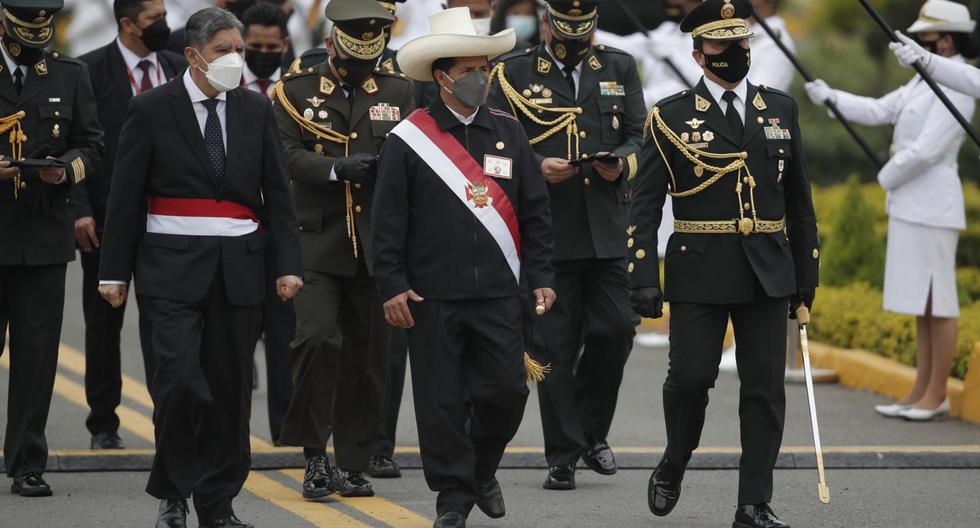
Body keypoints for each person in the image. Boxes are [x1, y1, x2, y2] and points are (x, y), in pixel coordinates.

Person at [98, 7, 303, 527]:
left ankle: (218, 503)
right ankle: (174, 492)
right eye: (223, 50)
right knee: (181, 382)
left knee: (231, 391)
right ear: (192, 56)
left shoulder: (256, 110)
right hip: (170, 269)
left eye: (239, 48)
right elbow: (124, 197)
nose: (236, 58)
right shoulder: (150, 109)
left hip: (240, 268)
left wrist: (287, 263)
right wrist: (113, 272)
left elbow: (277, 195)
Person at [630, 1, 819, 527]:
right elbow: (643, 205)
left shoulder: (779, 110)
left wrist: (807, 275)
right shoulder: (669, 116)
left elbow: (800, 202)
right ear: (698, 54)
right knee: (690, 380)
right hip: (700, 269)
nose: (735, 53)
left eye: (741, 43)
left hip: (768, 271)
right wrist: (643, 275)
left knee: (764, 390)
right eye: (721, 45)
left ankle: (753, 503)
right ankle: (674, 461)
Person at [376, 7, 555, 526]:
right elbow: (388, 223)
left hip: (500, 292)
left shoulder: (508, 131)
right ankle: (452, 498)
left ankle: (480, 468)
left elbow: (536, 211)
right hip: (432, 294)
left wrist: (542, 275)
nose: (481, 79)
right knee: (441, 404)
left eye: (485, 69)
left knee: (505, 391)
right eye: (470, 71)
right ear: (442, 77)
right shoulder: (409, 138)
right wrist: (392, 284)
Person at [489, 0, 645, 491]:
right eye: (565, 26)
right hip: (546, 231)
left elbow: (639, 135)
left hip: (605, 229)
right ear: (545, 19)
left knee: (616, 330)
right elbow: (491, 146)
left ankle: (592, 433)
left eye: (585, 27)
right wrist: (536, 165)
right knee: (553, 345)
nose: (576, 37)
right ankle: (562, 454)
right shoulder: (511, 73)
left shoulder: (619, 66)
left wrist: (620, 163)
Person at [807, 0, 976, 422]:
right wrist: (832, 98)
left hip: (933, 199)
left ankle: (936, 394)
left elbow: (927, 150)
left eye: (926, 37)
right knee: (922, 303)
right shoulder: (920, 82)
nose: (918, 42)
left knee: (940, 301)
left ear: (946, 39)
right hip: (909, 199)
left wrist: (885, 175)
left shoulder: (956, 84)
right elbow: (879, 110)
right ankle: (920, 388)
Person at [272, 0, 414, 500]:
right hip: (316, 238)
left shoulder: (401, 90)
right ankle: (315, 456)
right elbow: (284, 154)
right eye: (353, 62)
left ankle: (354, 461)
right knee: (316, 339)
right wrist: (334, 168)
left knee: (370, 356)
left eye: (369, 62)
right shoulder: (295, 91)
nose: (361, 72)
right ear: (332, 44)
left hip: (378, 245)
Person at [0, 0, 103, 498]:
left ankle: (26, 464)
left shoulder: (70, 74)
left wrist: (63, 169)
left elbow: (93, 146)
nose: (38, 33)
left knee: (37, 356)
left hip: (42, 236)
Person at [74, 0, 185, 452]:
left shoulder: (179, 67)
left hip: (167, 221)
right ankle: (103, 421)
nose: (165, 25)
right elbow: (76, 142)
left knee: (165, 327)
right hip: (104, 220)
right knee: (103, 324)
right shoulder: (89, 70)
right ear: (127, 24)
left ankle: (169, 420)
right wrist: (79, 208)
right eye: (154, 19)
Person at [237, 0, 295, 445]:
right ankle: (229, 432)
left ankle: (287, 432)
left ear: (285, 45)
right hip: (235, 228)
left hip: (283, 229)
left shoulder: (299, 88)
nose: (261, 53)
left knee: (285, 338)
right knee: (233, 339)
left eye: (270, 46)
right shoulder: (224, 86)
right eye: (252, 45)